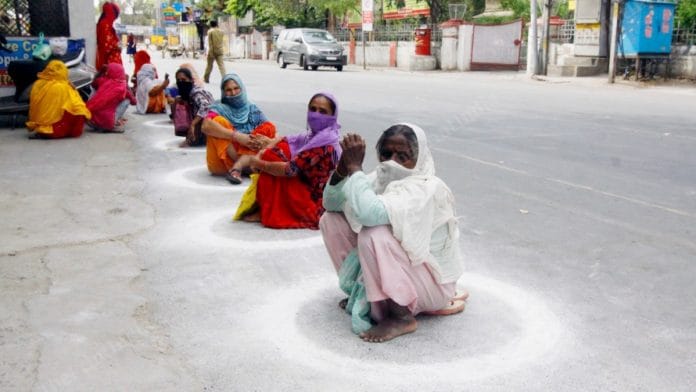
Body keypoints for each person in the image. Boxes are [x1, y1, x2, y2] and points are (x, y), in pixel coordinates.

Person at [319, 124, 466, 343]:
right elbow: (330, 204)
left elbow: (370, 214)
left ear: (420, 158)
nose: (392, 162)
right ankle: (364, 294)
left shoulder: (426, 187)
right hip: (408, 272)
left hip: (433, 284)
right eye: (386, 154)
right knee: (331, 221)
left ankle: (401, 316)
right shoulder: (377, 179)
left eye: (403, 156)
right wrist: (343, 168)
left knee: (373, 234)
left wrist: (355, 169)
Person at [234, 93, 341, 229]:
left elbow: (289, 170)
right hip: (305, 187)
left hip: (314, 204)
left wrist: (258, 163)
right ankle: (268, 208)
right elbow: (285, 139)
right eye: (313, 109)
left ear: (332, 116)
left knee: (272, 158)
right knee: (278, 150)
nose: (316, 114)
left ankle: (270, 212)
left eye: (322, 111)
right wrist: (263, 150)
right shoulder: (313, 136)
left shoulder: (325, 144)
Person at [201, 73, 276, 181]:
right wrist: (238, 136)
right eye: (228, 90)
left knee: (269, 127)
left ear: (242, 88)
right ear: (223, 92)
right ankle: (244, 166)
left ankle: (244, 165)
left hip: (250, 155)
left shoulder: (252, 109)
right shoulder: (218, 107)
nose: (233, 93)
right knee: (218, 122)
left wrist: (265, 141)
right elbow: (206, 126)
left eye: (236, 88)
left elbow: (272, 132)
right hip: (223, 161)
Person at [26, 60, 91, 139]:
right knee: (76, 110)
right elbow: (77, 106)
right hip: (59, 127)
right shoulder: (65, 86)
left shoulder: (38, 84)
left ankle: (43, 130)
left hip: (41, 123)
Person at [86, 63, 135, 133]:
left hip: (91, 117)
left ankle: (98, 123)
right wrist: (126, 84)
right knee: (127, 100)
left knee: (96, 90)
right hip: (106, 122)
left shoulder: (103, 80)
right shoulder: (122, 87)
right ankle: (110, 125)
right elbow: (134, 102)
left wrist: (101, 71)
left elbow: (94, 83)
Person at [173, 64, 213, 147]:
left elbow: (205, 106)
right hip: (203, 120)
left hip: (211, 121)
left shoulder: (196, 93)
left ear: (191, 80)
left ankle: (200, 136)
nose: (181, 83)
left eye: (184, 80)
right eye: (178, 80)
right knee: (177, 101)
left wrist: (193, 124)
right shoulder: (189, 93)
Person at [95, 1, 123, 70]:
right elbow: (106, 44)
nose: (114, 18)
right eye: (115, 15)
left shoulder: (107, 25)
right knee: (114, 77)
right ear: (111, 13)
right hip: (109, 60)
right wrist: (117, 46)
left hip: (111, 59)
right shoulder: (104, 24)